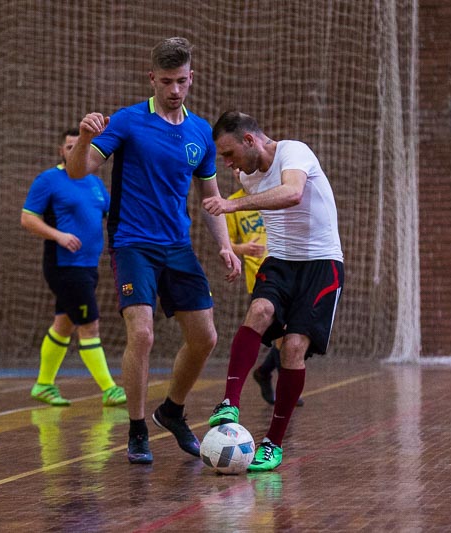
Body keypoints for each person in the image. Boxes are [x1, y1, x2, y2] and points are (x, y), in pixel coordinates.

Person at [65, 37, 241, 465]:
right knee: (142, 334)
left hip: (177, 246)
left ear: (191, 78)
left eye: (181, 81)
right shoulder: (127, 121)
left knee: (205, 338)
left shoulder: (200, 132)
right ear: (152, 79)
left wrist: (225, 245)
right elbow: (78, 171)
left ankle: (172, 411)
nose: (174, 90)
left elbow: (210, 197)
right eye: (166, 82)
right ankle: (138, 429)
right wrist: (86, 138)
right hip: (132, 244)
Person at [203, 111, 344, 471]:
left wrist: (233, 204)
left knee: (293, 348)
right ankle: (229, 402)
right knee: (260, 311)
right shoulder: (246, 174)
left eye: (230, 153)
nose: (228, 163)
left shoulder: (294, 151)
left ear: (250, 140)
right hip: (279, 260)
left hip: (321, 263)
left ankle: (273, 443)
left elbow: (292, 193)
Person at [21, 128, 126, 408]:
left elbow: (112, 215)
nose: (74, 151)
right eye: (69, 147)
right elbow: (27, 218)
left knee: (64, 324)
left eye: (80, 146)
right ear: (62, 151)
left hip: (88, 266)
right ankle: (110, 388)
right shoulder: (49, 180)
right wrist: (59, 236)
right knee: (89, 325)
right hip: (65, 266)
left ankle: (44, 384)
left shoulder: (94, 183)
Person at [225, 175, 304, 407]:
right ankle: (284, 389)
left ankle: (264, 372)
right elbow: (226, 244)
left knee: (288, 334)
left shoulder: (274, 195)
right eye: (236, 169)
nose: (240, 173)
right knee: (282, 335)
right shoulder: (234, 204)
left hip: (287, 272)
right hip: (261, 278)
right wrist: (243, 248)